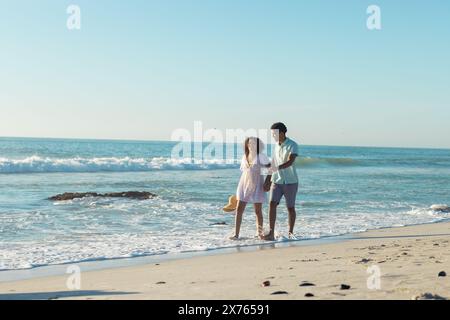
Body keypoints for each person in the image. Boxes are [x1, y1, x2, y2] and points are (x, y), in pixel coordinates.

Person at [229, 137, 271, 240]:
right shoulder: (244, 156)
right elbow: (245, 171)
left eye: (254, 144)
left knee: (257, 211)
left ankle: (259, 233)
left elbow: (272, 168)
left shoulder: (261, 156)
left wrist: (267, 181)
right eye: (249, 144)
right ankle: (236, 234)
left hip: (257, 184)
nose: (251, 145)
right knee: (239, 209)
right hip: (244, 184)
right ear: (247, 145)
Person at [263, 122, 299, 241]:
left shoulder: (293, 145)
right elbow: (273, 162)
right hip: (276, 181)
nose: (273, 136)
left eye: (274, 134)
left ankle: (290, 233)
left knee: (290, 208)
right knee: (272, 204)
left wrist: (277, 168)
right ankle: (271, 233)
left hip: (290, 181)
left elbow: (290, 161)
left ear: (282, 133)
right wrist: (267, 179)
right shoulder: (276, 146)